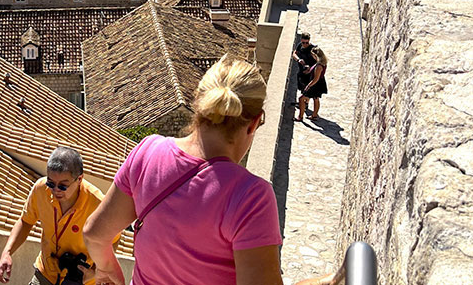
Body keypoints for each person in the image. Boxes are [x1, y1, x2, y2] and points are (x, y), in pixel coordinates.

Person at [83, 56, 334, 285]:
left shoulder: (148, 152)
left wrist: (107, 269)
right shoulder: (250, 197)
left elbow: (94, 234)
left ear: (197, 106)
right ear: (254, 123)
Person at [0, 147, 118, 285]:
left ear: (79, 179)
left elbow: (113, 240)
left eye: (63, 186)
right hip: (44, 274)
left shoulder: (98, 204)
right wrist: (7, 252)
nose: (55, 190)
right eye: (51, 183)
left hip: (79, 282)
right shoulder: (40, 189)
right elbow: (26, 221)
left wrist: (95, 272)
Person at [295, 47, 328, 122]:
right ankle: (314, 115)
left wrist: (308, 86)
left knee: (301, 99)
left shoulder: (319, 66)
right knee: (316, 99)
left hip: (315, 85)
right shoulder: (322, 63)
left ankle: (300, 117)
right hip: (320, 83)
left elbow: (315, 79)